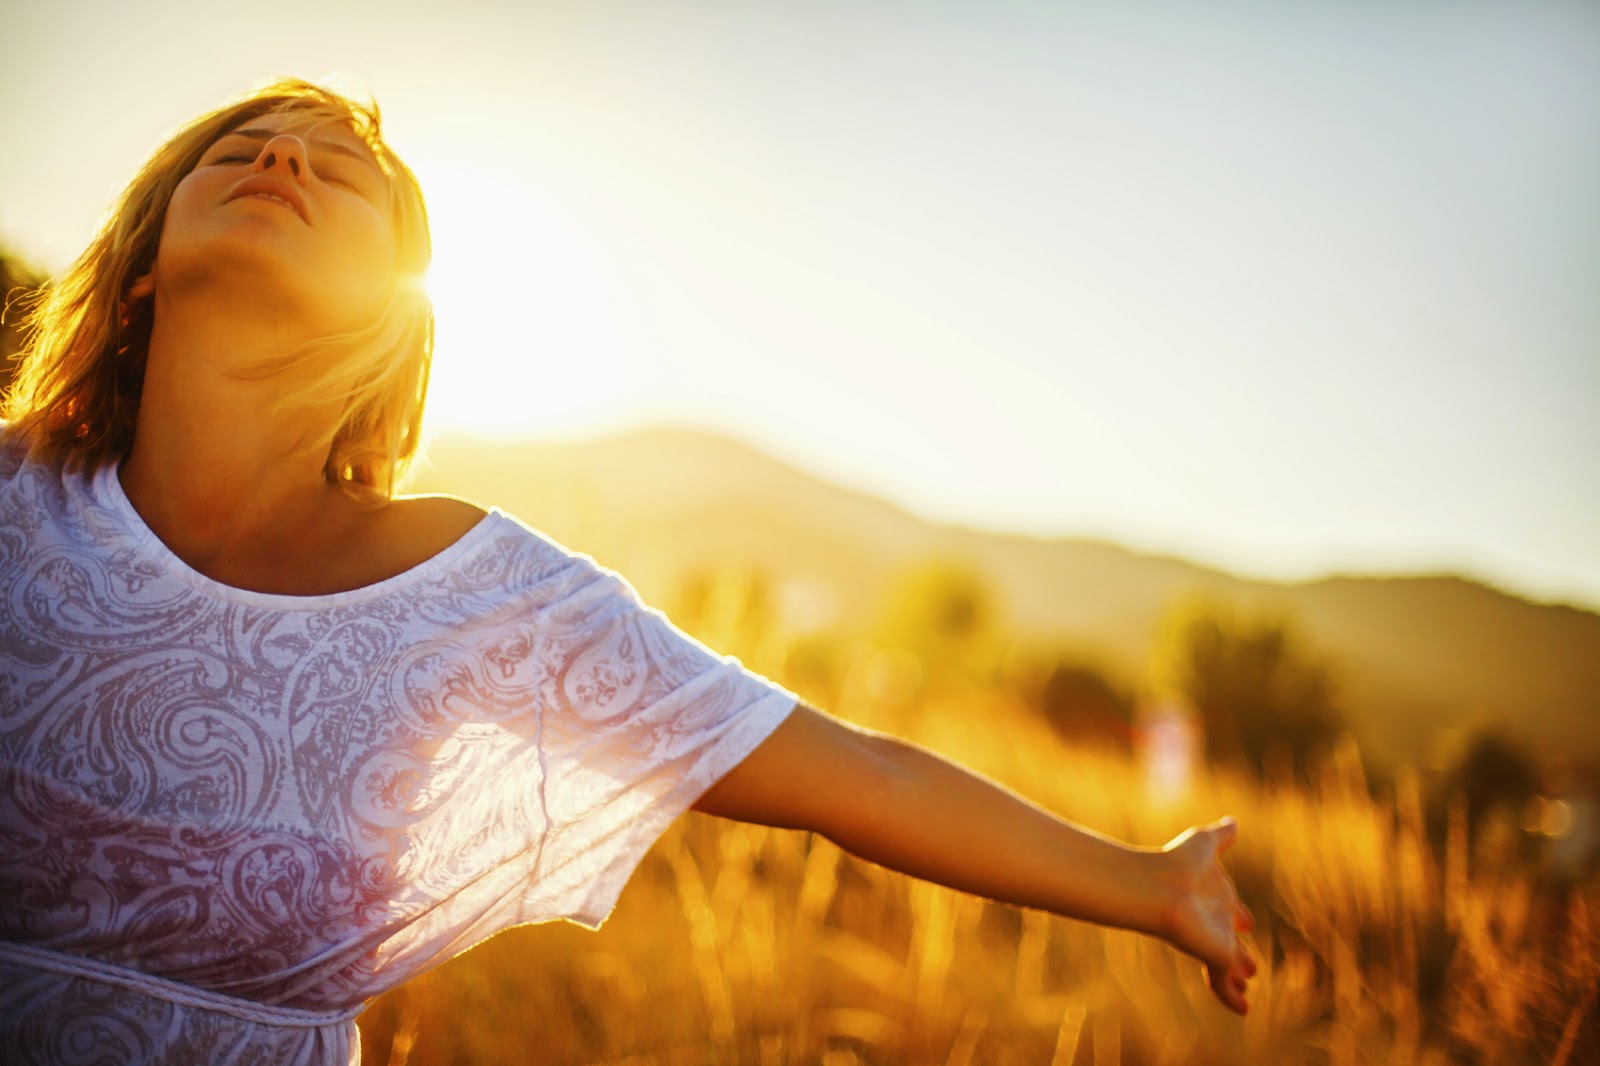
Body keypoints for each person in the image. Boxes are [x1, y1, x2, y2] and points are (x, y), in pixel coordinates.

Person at [0, 79, 1257, 1063]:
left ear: (389, 320)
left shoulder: (474, 595)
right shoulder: (12, 503)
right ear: (149, 255)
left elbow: (854, 771)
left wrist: (1149, 883)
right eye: (238, 152)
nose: (280, 162)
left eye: (340, 173)